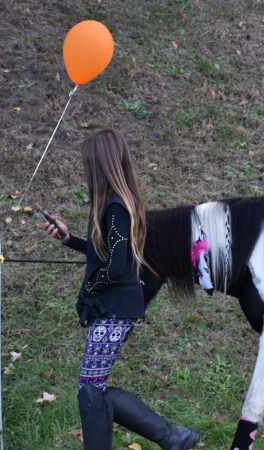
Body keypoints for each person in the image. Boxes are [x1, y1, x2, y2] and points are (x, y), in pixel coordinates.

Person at [43, 129, 200, 450]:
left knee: (90, 388)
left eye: (88, 164)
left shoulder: (115, 207)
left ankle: (172, 436)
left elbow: (115, 268)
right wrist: (68, 239)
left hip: (114, 309)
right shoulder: (117, 204)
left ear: (100, 165)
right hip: (117, 307)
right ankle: (174, 437)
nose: (86, 170)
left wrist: (90, 289)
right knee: (93, 387)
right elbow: (110, 254)